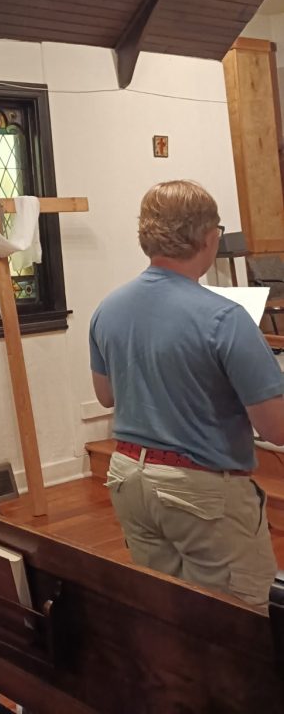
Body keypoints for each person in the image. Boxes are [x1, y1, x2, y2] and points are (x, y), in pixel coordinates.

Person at [90, 180, 284, 609]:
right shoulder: (225, 318)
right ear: (209, 237)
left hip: (129, 477)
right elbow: (276, 428)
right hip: (199, 489)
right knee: (239, 616)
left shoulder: (109, 307)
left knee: (170, 608)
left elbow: (105, 395)